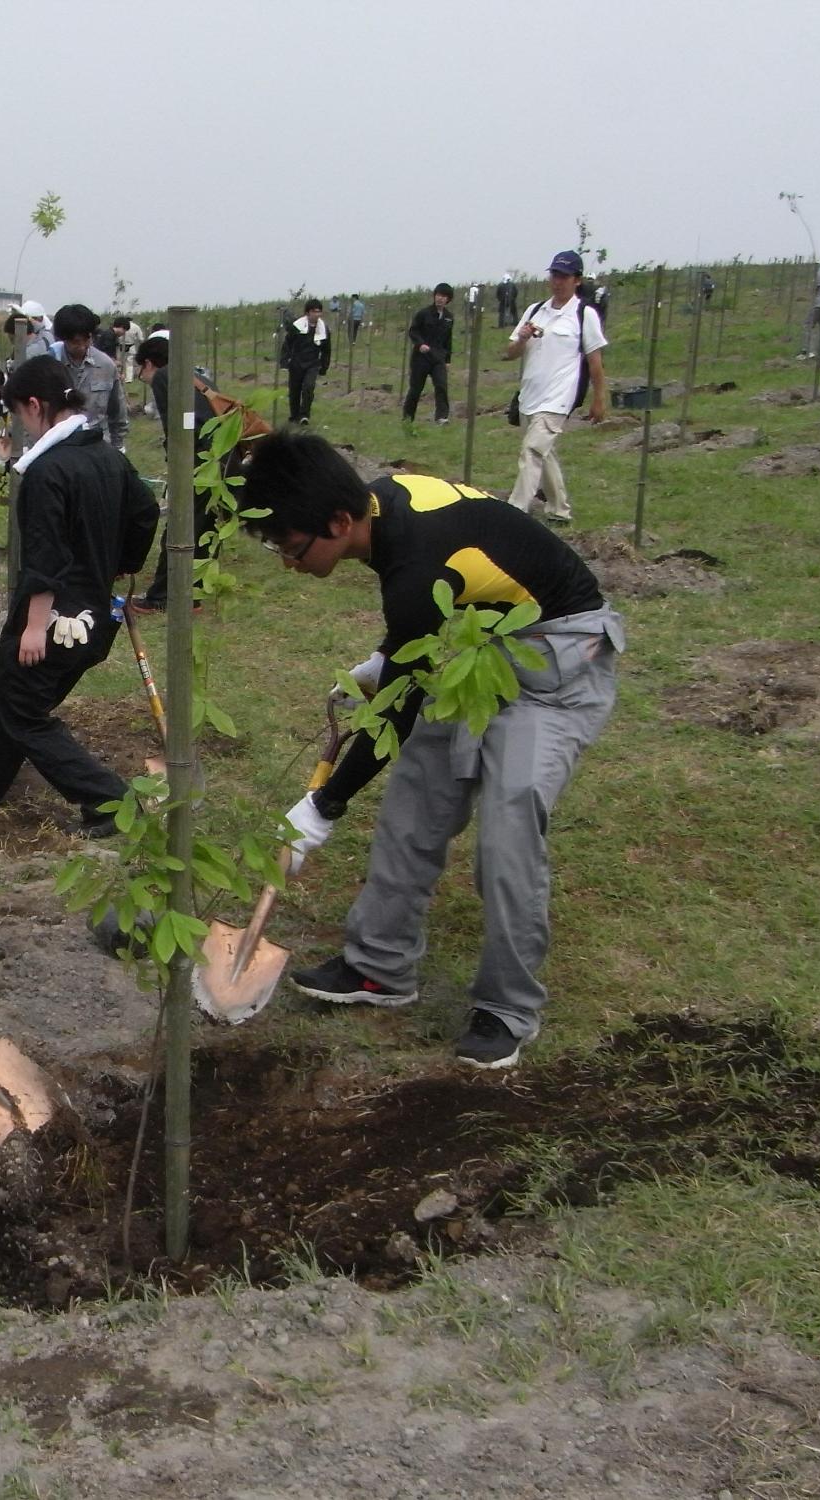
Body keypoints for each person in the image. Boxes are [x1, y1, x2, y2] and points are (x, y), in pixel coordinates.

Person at [239, 430, 623, 1070]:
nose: (289, 562)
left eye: (292, 546)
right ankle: (380, 968)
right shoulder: (383, 504)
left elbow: (397, 709)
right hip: (484, 646)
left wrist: (324, 805)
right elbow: (443, 594)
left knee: (509, 825)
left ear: (339, 520)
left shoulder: (413, 565)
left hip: (560, 660)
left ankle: (507, 1008)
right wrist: (386, 656)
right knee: (418, 796)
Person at [0, 357, 159, 832]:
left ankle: (111, 803)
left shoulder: (48, 472)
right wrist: (122, 563)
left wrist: (32, 626)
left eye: (21, 416)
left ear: (34, 405)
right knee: (13, 697)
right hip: (95, 614)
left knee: (23, 710)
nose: (22, 427)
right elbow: (145, 512)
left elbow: (45, 558)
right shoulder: (109, 457)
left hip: (58, 621)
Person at [503, 250, 608, 526]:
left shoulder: (584, 315)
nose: (557, 281)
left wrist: (599, 399)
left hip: (558, 398)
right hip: (529, 396)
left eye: (564, 276)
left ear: (577, 280)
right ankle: (560, 510)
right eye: (554, 275)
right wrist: (522, 338)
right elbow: (510, 352)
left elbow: (595, 361)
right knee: (543, 452)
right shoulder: (535, 311)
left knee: (532, 450)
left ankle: (515, 511)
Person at [128, 333, 213, 613]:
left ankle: (163, 597)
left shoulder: (166, 378)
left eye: (141, 371)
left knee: (178, 530)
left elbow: (177, 429)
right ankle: (193, 595)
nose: (143, 378)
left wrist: (177, 468)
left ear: (149, 363)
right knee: (202, 529)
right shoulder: (196, 377)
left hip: (197, 461)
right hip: (220, 461)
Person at [51, 302, 130, 451]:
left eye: (86, 340)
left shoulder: (105, 365)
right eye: (75, 342)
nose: (82, 346)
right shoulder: (51, 366)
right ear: (63, 339)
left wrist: (118, 448)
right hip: (60, 448)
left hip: (98, 446)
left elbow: (117, 412)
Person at [403, 284, 454, 425]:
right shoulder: (423, 313)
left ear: (448, 299)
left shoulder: (449, 317)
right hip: (421, 358)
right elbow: (413, 331)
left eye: (443, 296)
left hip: (438, 358)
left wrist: (448, 359)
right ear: (434, 296)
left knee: (441, 386)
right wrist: (420, 344)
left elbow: (448, 339)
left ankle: (441, 417)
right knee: (415, 389)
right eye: (438, 295)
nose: (440, 299)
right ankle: (408, 418)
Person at [282, 298, 331, 425]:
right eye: (315, 311)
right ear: (308, 312)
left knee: (309, 387)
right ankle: (294, 416)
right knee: (295, 390)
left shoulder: (323, 329)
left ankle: (305, 415)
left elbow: (326, 349)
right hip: (297, 363)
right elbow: (287, 343)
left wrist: (324, 366)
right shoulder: (297, 327)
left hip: (313, 364)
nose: (317, 314)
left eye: (319, 312)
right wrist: (284, 361)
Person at [111, 313, 143, 384]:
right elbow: (140, 338)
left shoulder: (121, 326)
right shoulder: (136, 327)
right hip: (131, 345)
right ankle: (128, 379)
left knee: (119, 362)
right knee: (129, 363)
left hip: (120, 345)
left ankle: (119, 376)